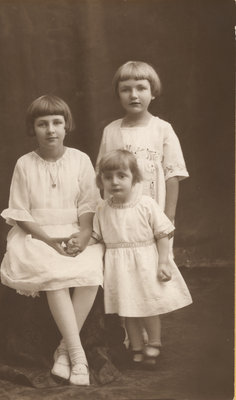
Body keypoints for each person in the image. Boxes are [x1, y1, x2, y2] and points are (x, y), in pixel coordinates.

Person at [0, 95, 104, 386]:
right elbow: (20, 212)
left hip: (73, 231)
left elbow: (88, 204)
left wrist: (83, 235)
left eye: (57, 122)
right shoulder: (25, 164)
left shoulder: (80, 159)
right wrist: (48, 241)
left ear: (67, 125)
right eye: (42, 123)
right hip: (36, 234)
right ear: (32, 128)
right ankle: (77, 355)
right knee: (55, 275)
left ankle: (63, 351)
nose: (50, 129)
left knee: (90, 272)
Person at [96, 60, 189, 356]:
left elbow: (173, 173)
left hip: (152, 217)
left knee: (150, 279)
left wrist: (169, 214)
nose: (134, 95)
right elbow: (103, 175)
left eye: (141, 88)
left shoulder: (162, 129)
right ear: (118, 94)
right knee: (125, 278)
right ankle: (131, 339)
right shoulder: (111, 131)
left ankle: (154, 340)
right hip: (120, 220)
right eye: (126, 89)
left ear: (153, 92)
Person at [91, 149, 192, 367]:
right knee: (128, 310)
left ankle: (154, 343)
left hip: (145, 262)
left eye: (121, 176)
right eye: (108, 177)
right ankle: (136, 346)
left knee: (147, 307)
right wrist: (78, 242)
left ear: (134, 178)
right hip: (118, 266)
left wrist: (163, 261)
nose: (115, 182)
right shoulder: (102, 209)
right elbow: (96, 236)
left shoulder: (145, 204)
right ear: (101, 181)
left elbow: (162, 233)